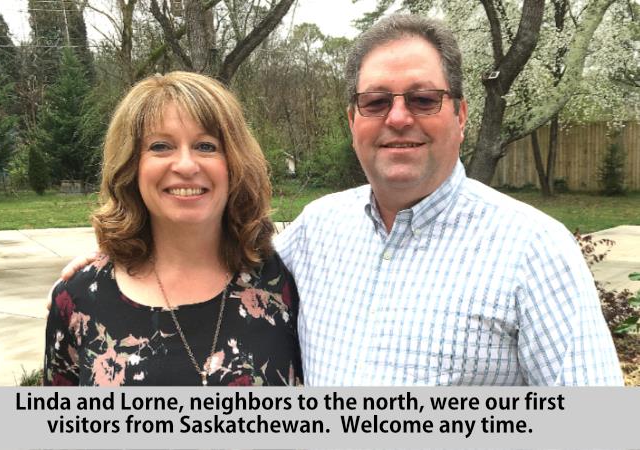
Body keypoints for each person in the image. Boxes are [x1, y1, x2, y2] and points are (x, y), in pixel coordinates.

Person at [60, 15, 623, 386]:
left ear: (461, 113)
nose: (398, 118)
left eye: (423, 99)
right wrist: (117, 254)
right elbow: (213, 241)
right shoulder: (317, 229)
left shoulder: (534, 250)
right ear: (352, 119)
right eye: (376, 101)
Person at [44, 71, 302, 386]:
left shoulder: (284, 283)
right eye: (161, 146)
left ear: (235, 163)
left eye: (206, 146)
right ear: (130, 166)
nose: (185, 166)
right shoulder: (78, 299)